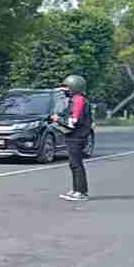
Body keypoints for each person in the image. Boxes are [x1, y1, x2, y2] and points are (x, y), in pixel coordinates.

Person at [52, 74, 92, 202]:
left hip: (77, 137)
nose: (65, 90)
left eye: (67, 87)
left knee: (76, 164)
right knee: (74, 164)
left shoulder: (78, 100)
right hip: (75, 136)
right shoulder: (76, 99)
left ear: (74, 87)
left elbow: (72, 122)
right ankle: (76, 189)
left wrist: (58, 119)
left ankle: (81, 192)